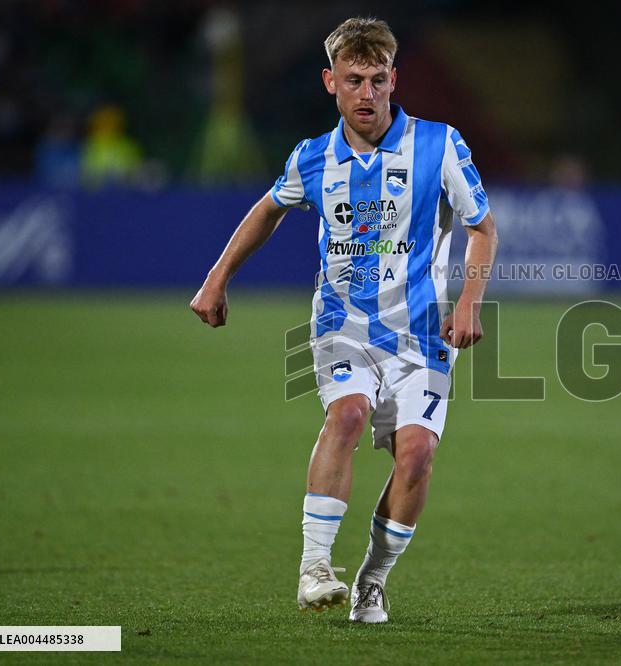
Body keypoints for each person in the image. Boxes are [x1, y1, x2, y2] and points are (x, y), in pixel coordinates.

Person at [189, 17, 498, 624]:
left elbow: (481, 227)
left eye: (377, 80)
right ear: (330, 82)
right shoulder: (313, 158)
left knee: (414, 458)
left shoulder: (439, 145)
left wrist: (468, 301)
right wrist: (216, 278)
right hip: (342, 325)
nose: (366, 93)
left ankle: (372, 580)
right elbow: (267, 210)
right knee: (349, 412)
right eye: (353, 80)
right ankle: (313, 567)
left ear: (393, 81)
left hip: (423, 333)